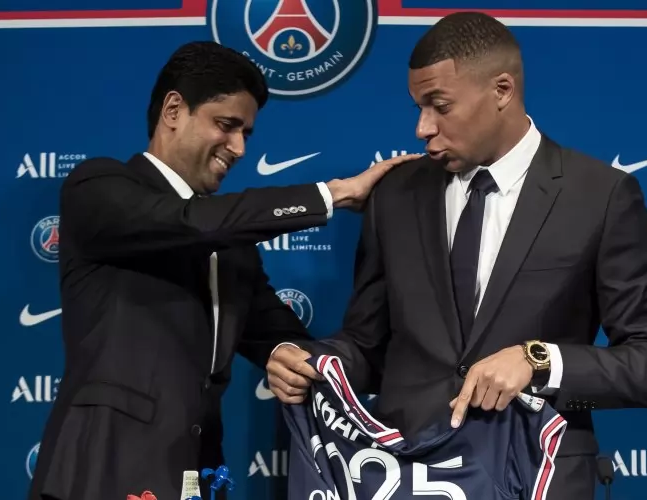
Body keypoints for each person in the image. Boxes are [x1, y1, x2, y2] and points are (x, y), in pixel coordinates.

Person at [267, 11, 647, 499]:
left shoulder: (601, 196)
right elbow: (369, 345)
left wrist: (538, 361)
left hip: (536, 475)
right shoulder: (395, 195)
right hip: (408, 477)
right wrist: (315, 362)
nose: (422, 127)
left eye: (440, 106)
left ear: (502, 90)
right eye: (419, 107)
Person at [27, 41, 419, 500]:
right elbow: (188, 222)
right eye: (226, 125)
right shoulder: (98, 187)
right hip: (103, 470)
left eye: (246, 134)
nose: (238, 148)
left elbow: (282, 340)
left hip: (198, 476)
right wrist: (331, 195)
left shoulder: (233, 247)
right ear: (174, 110)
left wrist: (298, 358)